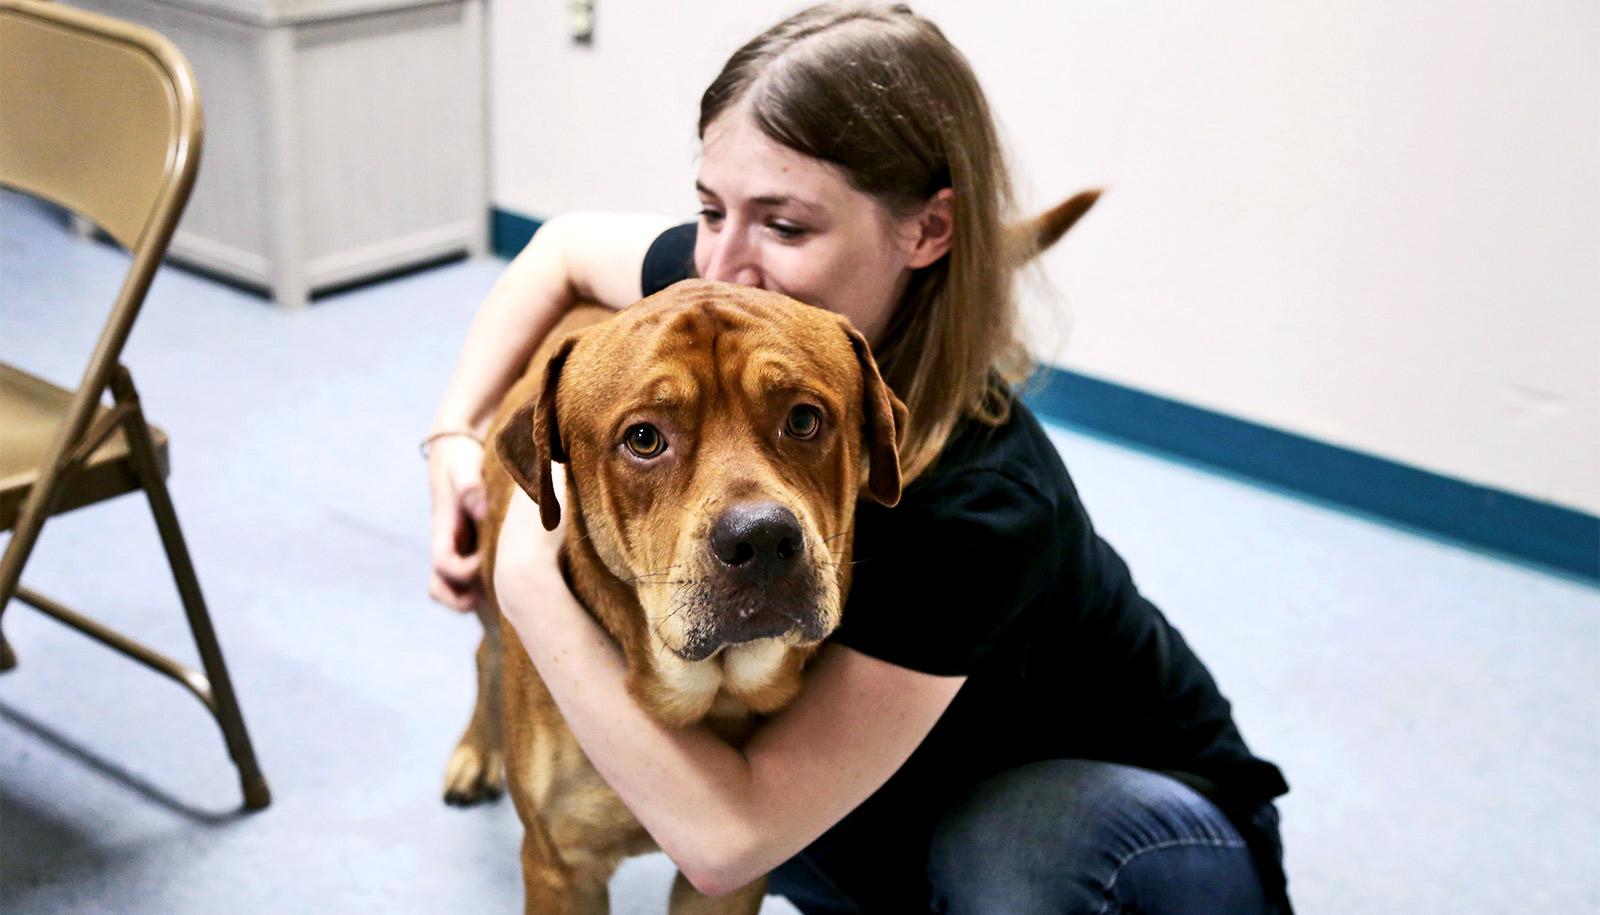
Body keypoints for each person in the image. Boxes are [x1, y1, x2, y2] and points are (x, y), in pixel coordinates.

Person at [426, 4, 1292, 913]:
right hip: (880, 769)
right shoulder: (733, 306)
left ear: (927, 231)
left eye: (786, 225)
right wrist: (453, 435)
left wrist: (521, 577)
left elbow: (725, 847)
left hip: (1140, 816)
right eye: (711, 209)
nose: (718, 266)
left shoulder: (982, 504)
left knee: (1002, 856)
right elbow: (561, 248)